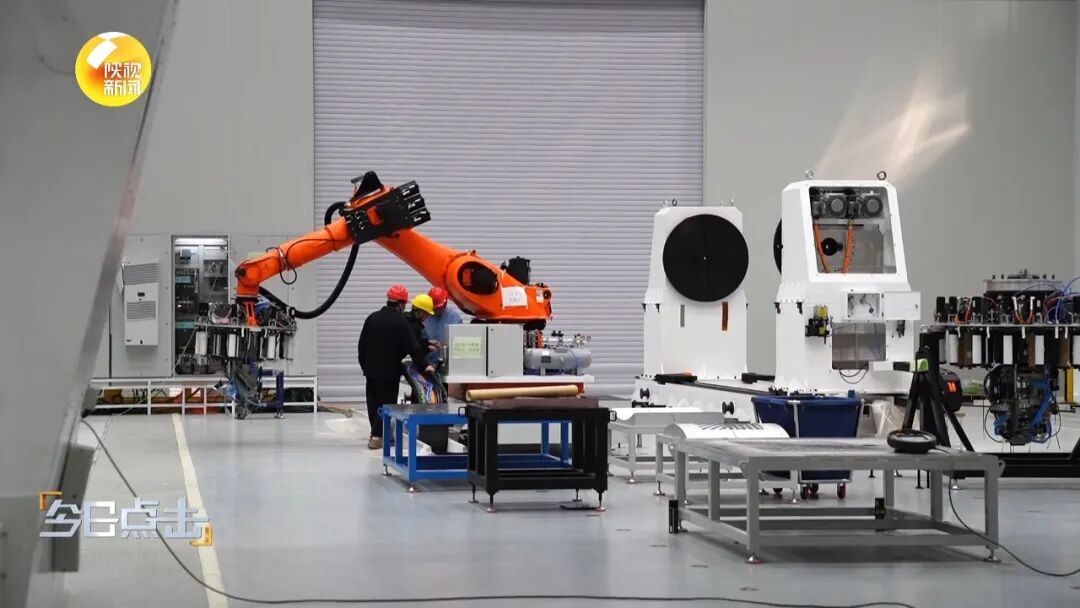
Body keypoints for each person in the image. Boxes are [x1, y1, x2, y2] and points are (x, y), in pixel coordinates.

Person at [357, 284, 434, 450]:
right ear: (401, 304)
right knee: (385, 405)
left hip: (371, 371)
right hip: (389, 372)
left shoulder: (372, 318)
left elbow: (362, 345)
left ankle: (376, 434)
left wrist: (365, 366)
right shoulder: (400, 322)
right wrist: (426, 365)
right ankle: (377, 436)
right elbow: (413, 348)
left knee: (373, 403)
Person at [422, 286, 465, 367]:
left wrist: (444, 346)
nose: (436, 311)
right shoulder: (424, 317)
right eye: (434, 309)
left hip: (448, 363)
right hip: (426, 363)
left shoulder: (455, 318)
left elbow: (460, 345)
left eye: (438, 308)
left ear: (445, 304)